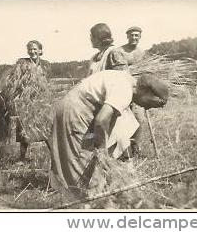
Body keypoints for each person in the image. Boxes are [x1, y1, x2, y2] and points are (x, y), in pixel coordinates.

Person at [48, 70, 168, 195]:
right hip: (75, 110)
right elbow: (101, 120)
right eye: (156, 104)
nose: (148, 108)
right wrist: (102, 153)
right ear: (147, 91)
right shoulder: (124, 90)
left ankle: (67, 191)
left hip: (72, 106)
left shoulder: (127, 80)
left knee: (78, 158)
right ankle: (81, 199)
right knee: (80, 159)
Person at [107, 26, 147, 158]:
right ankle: (123, 151)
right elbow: (118, 72)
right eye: (131, 35)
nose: (134, 38)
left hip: (137, 92)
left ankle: (136, 148)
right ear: (127, 36)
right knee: (122, 121)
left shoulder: (142, 53)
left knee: (139, 119)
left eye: (136, 35)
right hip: (122, 90)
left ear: (140, 37)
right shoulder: (119, 52)